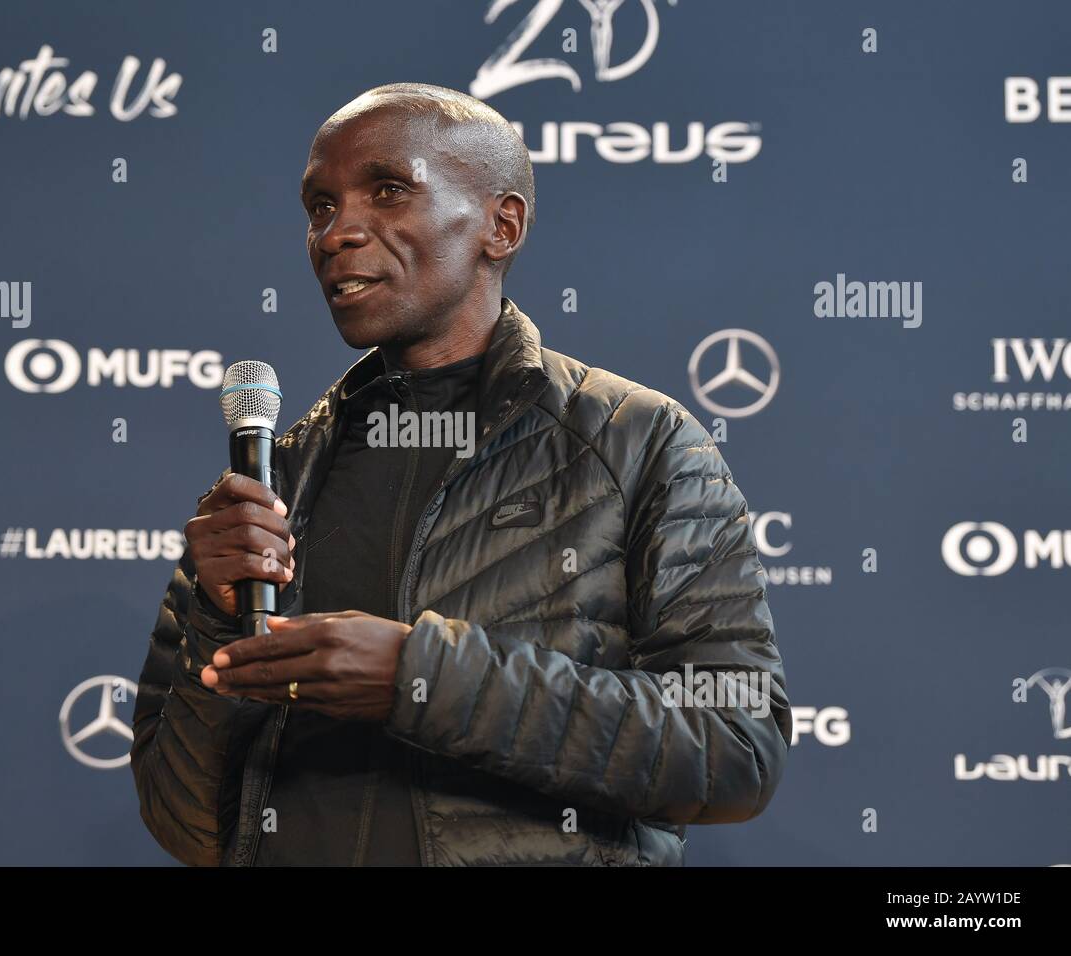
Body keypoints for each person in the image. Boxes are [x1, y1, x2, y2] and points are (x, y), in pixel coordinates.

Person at [130, 82, 790, 866]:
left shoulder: (636, 442)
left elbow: (735, 748)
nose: (338, 231)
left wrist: (420, 678)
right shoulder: (278, 479)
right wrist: (212, 612)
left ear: (499, 225)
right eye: (319, 207)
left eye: (387, 191)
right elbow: (188, 825)